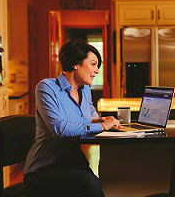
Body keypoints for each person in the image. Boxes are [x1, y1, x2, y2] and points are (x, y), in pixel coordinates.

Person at [24, 39, 121, 197]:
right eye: (93, 64)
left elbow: (91, 117)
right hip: (44, 170)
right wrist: (102, 126)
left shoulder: (85, 89)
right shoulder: (46, 88)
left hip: (74, 163)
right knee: (90, 184)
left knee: (99, 182)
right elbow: (59, 128)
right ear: (75, 63)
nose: (97, 70)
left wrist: (103, 121)